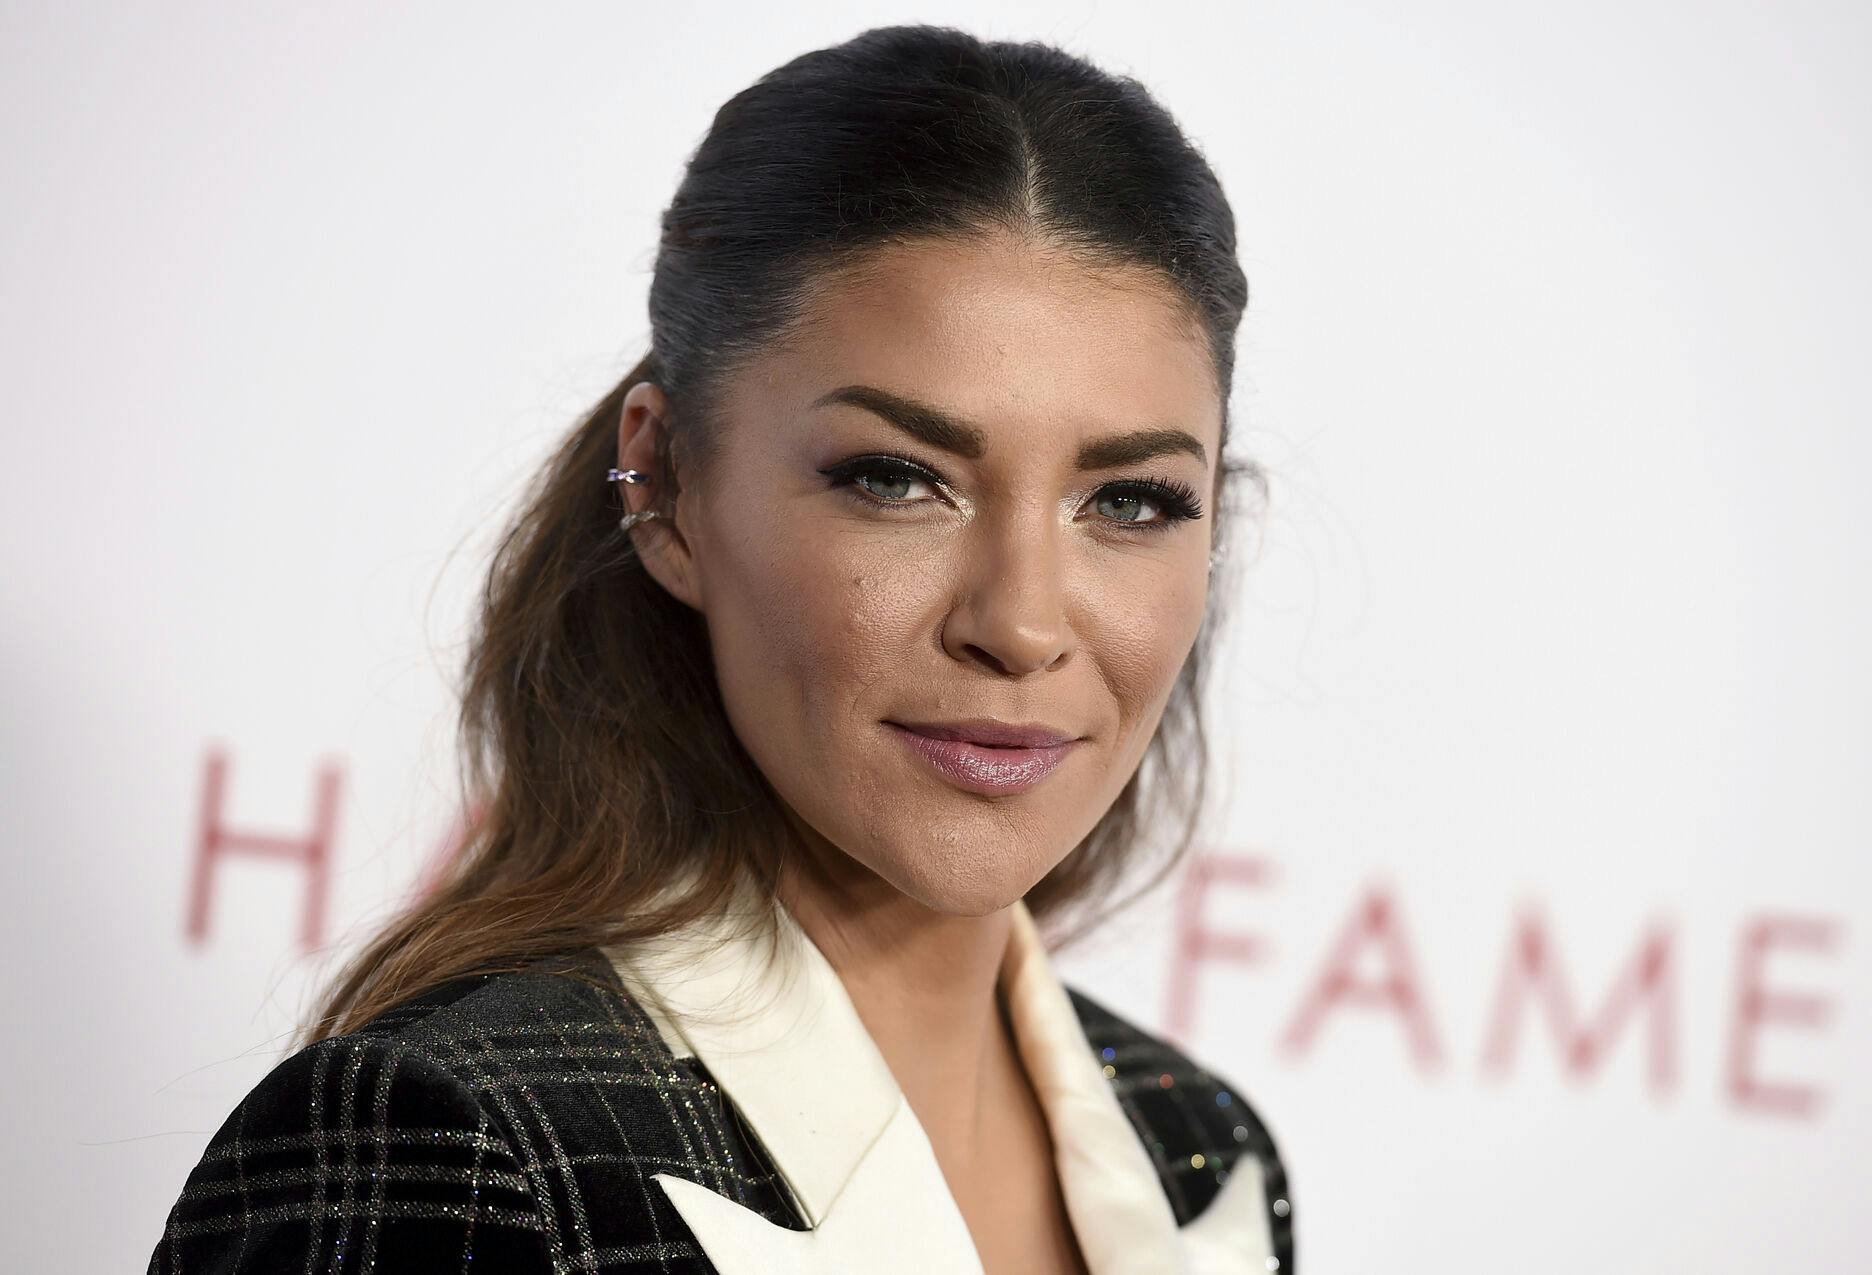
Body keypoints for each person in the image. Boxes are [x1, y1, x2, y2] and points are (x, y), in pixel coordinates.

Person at [146, 22, 1293, 1274]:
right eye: (897, 478)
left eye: (1129, 501)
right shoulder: (457, 1151)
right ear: (668, 485)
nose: (1018, 622)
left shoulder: (1206, 1154)